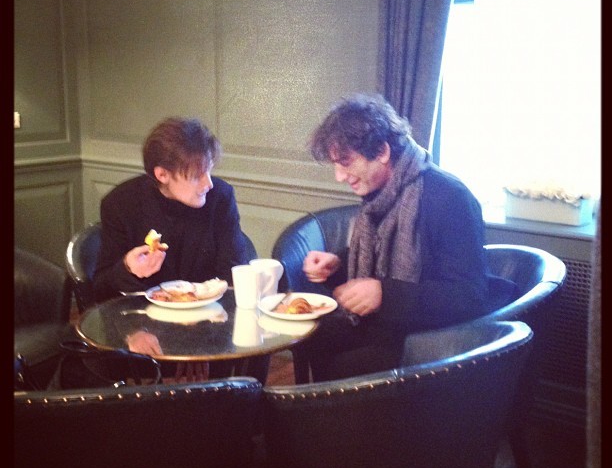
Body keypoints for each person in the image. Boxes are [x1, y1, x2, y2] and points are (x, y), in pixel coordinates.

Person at [292, 93, 498, 382]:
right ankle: (316, 419)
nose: (339, 176)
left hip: (425, 343)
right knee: (310, 336)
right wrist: (337, 265)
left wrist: (385, 295)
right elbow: (375, 261)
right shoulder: (380, 193)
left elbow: (469, 298)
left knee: (343, 367)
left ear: (382, 152)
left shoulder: (450, 198)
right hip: (382, 325)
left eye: (346, 162)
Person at [93, 116, 268, 382]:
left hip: (212, 324)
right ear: (162, 174)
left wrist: (198, 346)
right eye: (197, 175)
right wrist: (128, 268)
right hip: (145, 328)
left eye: (209, 171)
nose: (208, 183)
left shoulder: (220, 198)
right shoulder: (121, 204)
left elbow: (233, 275)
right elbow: (102, 288)